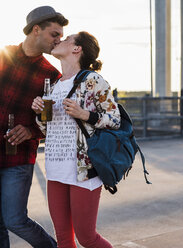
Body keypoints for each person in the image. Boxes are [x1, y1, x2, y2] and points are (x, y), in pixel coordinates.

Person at [0, 6, 68, 248]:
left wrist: (31, 131)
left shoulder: (52, 76)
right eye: (54, 34)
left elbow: (53, 122)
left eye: (61, 35)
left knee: (15, 220)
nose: (58, 40)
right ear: (36, 30)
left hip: (18, 161)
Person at [32, 31, 120, 248]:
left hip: (83, 170)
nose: (59, 40)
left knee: (87, 238)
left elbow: (115, 119)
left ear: (76, 48)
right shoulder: (53, 85)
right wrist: (39, 114)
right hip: (55, 169)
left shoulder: (93, 80)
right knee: (63, 239)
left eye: (67, 38)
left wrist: (85, 114)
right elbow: (47, 129)